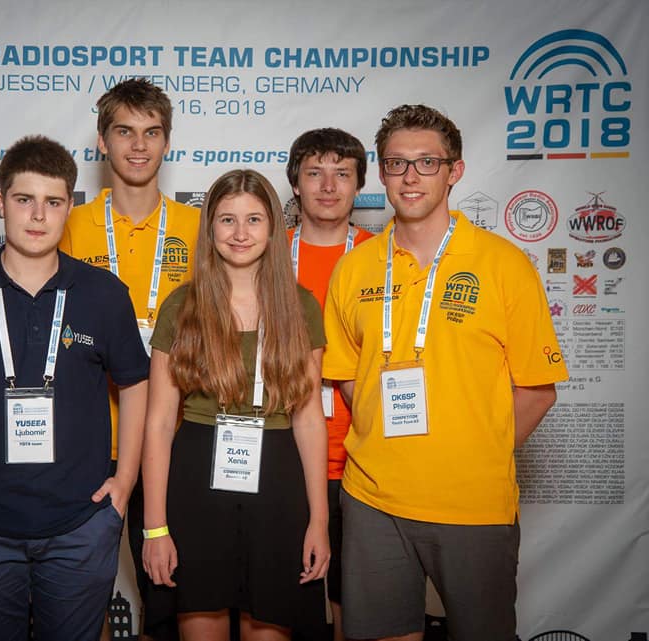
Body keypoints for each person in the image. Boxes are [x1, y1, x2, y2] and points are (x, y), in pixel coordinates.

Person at [322, 104, 569, 641]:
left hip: (472, 504)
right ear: (382, 172)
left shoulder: (504, 264)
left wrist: (475, 452)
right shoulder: (355, 267)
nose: (410, 177)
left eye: (426, 162)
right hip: (372, 500)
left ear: (454, 171)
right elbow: (347, 375)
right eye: (396, 163)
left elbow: (536, 390)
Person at [0, 135, 150, 641]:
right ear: (0, 202)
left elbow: (135, 385)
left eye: (53, 202)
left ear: (69, 208)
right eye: (24, 199)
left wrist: (125, 482)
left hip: (81, 523)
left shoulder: (105, 294)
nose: (38, 215)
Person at [142, 169, 330, 641]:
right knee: (199, 617)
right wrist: (154, 528)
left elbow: (309, 419)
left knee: (269, 623)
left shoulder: (301, 307)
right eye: (227, 219)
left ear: (273, 228)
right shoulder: (181, 306)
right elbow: (159, 422)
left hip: (279, 485)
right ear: (210, 227)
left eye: (254, 219)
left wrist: (320, 521)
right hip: (197, 482)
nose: (240, 233)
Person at [60, 77, 199, 640]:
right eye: (124, 132)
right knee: (76, 597)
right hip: (89, 443)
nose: (138, 146)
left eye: (151, 132)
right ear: (102, 141)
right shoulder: (68, 225)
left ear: (167, 141)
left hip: (175, 441)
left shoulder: (200, 228)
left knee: (168, 598)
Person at [285, 127, 373, 641]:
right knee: (283, 595)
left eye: (342, 174)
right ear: (295, 183)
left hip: (364, 458)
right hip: (283, 453)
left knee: (353, 599)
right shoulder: (264, 254)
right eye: (314, 173)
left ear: (359, 185)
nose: (328, 186)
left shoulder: (384, 257)